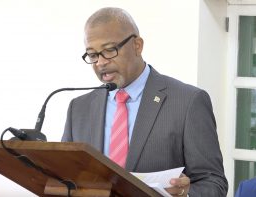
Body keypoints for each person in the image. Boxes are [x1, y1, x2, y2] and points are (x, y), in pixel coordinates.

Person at [62, 7, 228, 196]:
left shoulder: (188, 102)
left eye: (109, 50)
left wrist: (186, 193)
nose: (100, 62)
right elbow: (65, 178)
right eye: (92, 55)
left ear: (137, 46)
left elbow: (214, 183)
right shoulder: (79, 108)